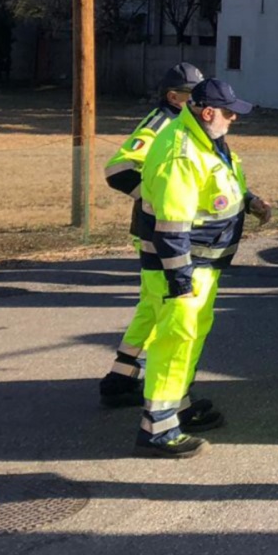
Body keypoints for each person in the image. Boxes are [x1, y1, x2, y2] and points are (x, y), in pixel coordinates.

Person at [134, 79, 271, 458]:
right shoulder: (182, 151)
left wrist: (249, 200)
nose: (233, 120)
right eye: (229, 113)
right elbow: (173, 224)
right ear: (207, 112)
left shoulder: (205, 140)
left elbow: (219, 183)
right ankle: (157, 428)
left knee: (190, 337)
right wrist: (180, 282)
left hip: (203, 265)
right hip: (185, 266)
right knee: (174, 342)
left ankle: (177, 408)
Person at [98, 61, 203, 407]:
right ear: (173, 96)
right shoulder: (162, 121)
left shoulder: (181, 122)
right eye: (192, 95)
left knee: (151, 305)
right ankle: (162, 396)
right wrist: (155, 196)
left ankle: (120, 376)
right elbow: (118, 170)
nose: (199, 101)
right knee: (162, 306)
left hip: (163, 229)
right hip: (155, 229)